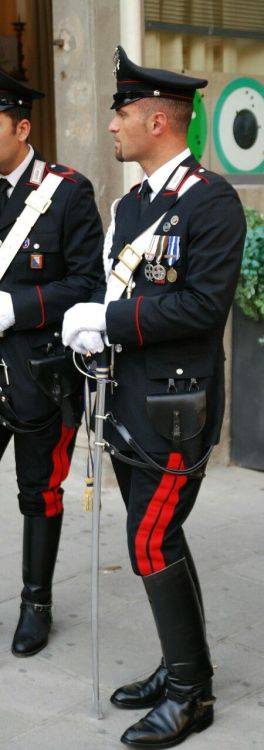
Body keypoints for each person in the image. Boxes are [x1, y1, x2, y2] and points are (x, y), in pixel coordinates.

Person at [62, 46, 246, 748]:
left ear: (161, 120)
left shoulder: (212, 201)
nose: (113, 126)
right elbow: (123, 293)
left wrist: (106, 320)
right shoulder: (134, 203)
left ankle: (191, 695)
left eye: (123, 113)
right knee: (158, 537)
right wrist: (91, 331)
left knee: (148, 537)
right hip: (127, 401)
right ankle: (181, 667)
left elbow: (201, 307)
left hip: (177, 406)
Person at [0, 70, 104, 658]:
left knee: (39, 492)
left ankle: (35, 604)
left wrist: (16, 306)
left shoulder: (66, 191)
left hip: (40, 373)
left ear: (22, 126)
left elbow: (89, 284)